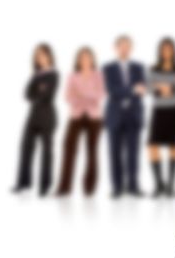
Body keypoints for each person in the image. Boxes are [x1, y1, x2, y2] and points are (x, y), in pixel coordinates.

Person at [56, 47, 105, 196]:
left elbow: (101, 94)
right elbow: (68, 96)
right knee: (69, 149)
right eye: (81, 57)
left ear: (92, 59)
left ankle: (89, 188)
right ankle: (64, 187)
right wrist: (87, 96)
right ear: (78, 60)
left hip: (94, 117)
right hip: (76, 116)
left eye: (87, 57)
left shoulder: (98, 75)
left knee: (92, 151)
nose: (84, 59)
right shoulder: (72, 76)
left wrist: (81, 95)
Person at [103, 35, 146, 198]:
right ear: (116, 47)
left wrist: (131, 91)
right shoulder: (109, 68)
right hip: (115, 115)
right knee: (114, 152)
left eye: (128, 46)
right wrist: (132, 90)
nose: (125, 49)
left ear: (131, 48)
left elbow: (142, 89)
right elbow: (111, 90)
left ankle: (133, 186)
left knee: (133, 153)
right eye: (122, 46)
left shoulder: (138, 67)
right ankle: (117, 187)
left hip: (133, 115)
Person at [13, 43, 59, 196]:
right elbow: (26, 94)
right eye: (37, 55)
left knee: (47, 152)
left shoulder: (54, 74)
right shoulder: (36, 75)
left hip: (47, 116)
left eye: (43, 54)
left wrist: (37, 92)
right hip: (32, 116)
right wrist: (38, 89)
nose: (40, 58)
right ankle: (23, 182)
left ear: (49, 56)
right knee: (25, 148)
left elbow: (47, 96)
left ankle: (44, 186)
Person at [147, 37, 175, 196]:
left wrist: (163, 87)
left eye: (170, 49)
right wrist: (166, 88)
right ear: (161, 52)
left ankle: (170, 185)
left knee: (173, 145)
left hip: (174, 110)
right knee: (153, 146)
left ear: (174, 51)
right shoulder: (154, 69)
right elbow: (151, 89)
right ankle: (159, 184)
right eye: (164, 49)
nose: (167, 52)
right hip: (159, 111)